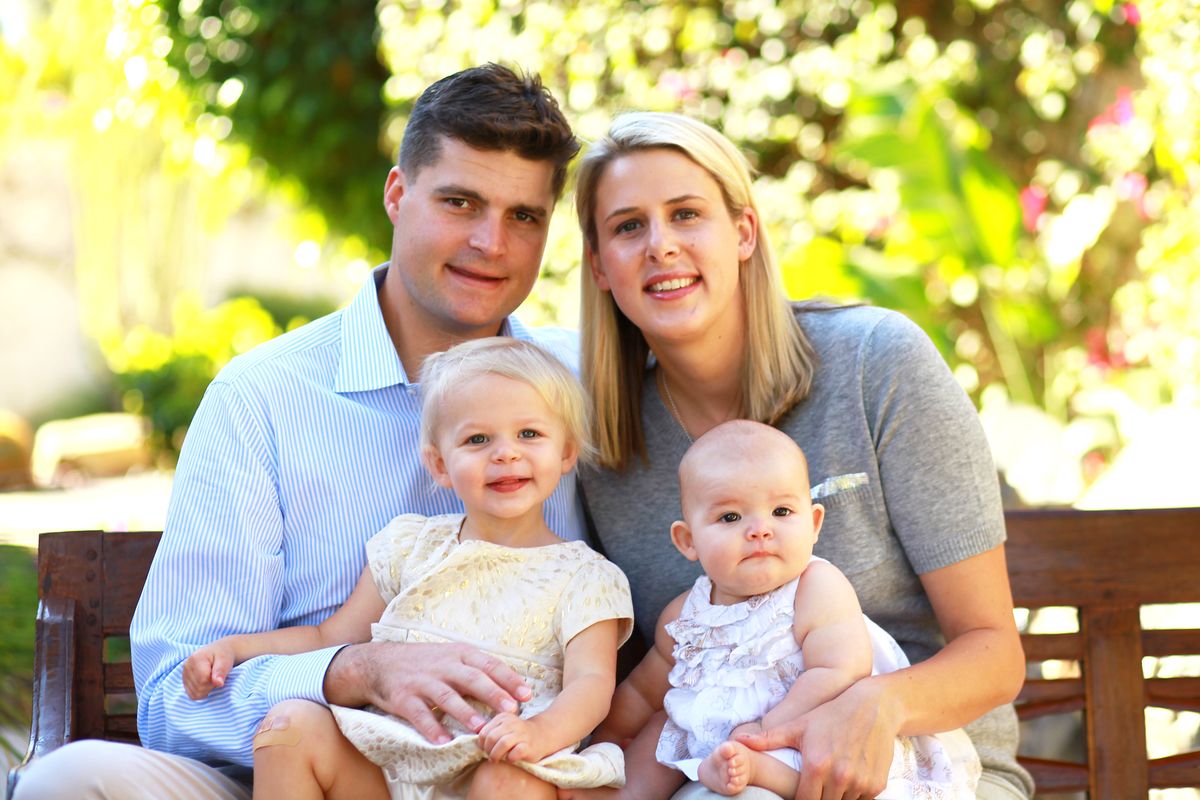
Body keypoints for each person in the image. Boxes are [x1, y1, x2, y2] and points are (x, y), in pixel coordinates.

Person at [14, 63, 583, 800]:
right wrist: (346, 672)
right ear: (397, 195)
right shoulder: (263, 397)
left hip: (517, 774)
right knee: (72, 781)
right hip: (294, 770)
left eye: (524, 217)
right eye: (460, 202)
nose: (491, 242)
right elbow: (171, 697)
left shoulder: (582, 382)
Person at [572, 112, 1032, 800]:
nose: (660, 245)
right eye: (628, 226)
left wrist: (876, 704)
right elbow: (651, 685)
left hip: (926, 770)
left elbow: (994, 653)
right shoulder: (603, 442)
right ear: (600, 266)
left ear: (744, 233)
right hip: (726, 780)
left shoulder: (876, 364)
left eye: (687, 214)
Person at [183, 338, 634, 799]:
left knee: (507, 781)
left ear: (566, 453)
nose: (505, 454)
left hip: (500, 758)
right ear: (439, 464)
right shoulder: (410, 545)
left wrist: (540, 733)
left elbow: (592, 683)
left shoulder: (586, 577)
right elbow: (327, 639)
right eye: (478, 439)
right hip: (389, 766)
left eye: (529, 434)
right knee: (289, 727)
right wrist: (236, 647)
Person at [565, 421, 980, 800]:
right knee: (659, 735)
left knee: (791, 766)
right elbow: (646, 689)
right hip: (718, 738)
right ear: (688, 541)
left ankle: (761, 774)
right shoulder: (684, 616)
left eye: (782, 512)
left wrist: (768, 730)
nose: (760, 529)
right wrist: (612, 734)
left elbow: (839, 670)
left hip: (807, 729)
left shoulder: (816, 588)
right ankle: (619, 792)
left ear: (814, 523)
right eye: (730, 516)